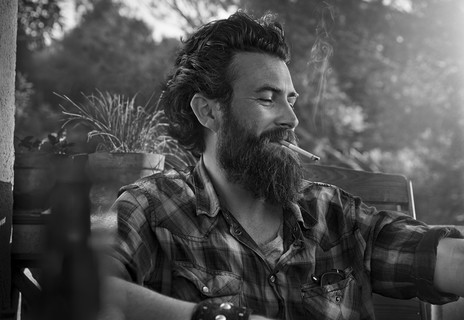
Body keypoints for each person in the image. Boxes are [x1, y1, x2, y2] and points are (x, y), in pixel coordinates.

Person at [100, 10, 464, 320]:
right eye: (266, 98)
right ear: (208, 111)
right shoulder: (151, 208)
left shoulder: (334, 214)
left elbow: (449, 258)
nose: (291, 118)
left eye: (290, 100)